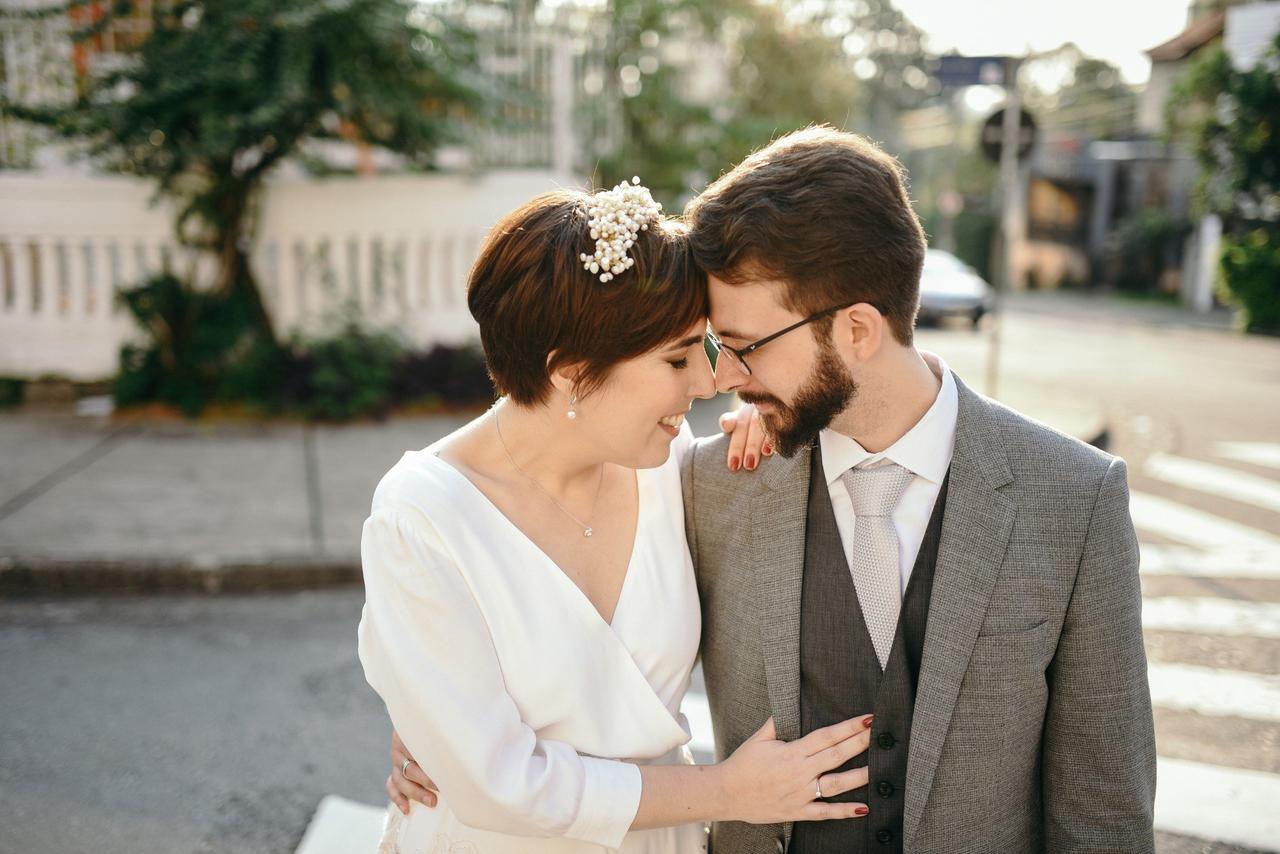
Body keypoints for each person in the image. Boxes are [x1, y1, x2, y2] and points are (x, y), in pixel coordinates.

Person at [391, 128, 1158, 853]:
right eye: (712, 348)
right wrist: (435, 723)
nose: (721, 379)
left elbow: (1104, 810)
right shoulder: (707, 481)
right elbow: (548, 625)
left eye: (746, 346)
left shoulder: (1074, 500)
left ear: (857, 331)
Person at [357, 180, 873, 854]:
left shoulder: (666, 463)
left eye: (706, 349)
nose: (711, 382)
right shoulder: (422, 518)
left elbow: (879, 394)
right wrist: (731, 791)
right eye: (677, 358)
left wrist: (774, 409)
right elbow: (495, 782)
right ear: (571, 371)